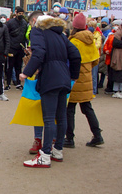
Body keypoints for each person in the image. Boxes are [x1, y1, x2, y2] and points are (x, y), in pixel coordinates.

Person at [20, 15, 80, 168]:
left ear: (36, 22)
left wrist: (26, 72)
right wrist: (73, 76)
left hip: (50, 77)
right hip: (64, 77)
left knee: (48, 118)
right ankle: (57, 150)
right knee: (61, 116)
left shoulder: (38, 32)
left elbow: (39, 53)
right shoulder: (60, 34)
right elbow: (75, 55)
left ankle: (45, 154)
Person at [66, 14, 104, 149]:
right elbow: (95, 60)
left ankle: (69, 138)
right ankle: (97, 134)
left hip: (74, 79)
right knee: (87, 108)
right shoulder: (91, 40)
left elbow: (68, 61)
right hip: (87, 79)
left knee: (69, 109)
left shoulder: (73, 42)